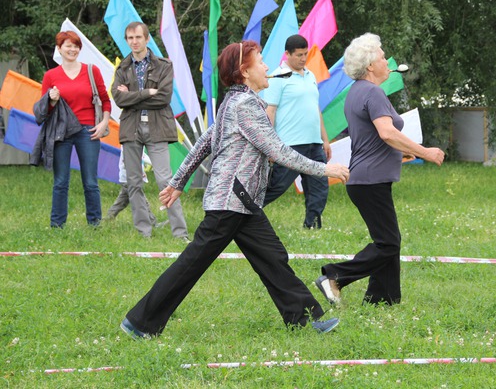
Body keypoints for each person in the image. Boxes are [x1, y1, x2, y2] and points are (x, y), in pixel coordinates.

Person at [120, 40, 350, 339]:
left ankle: (306, 320)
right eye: (261, 62)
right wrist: (324, 169)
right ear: (244, 71)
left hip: (243, 201)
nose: (267, 67)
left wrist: (178, 182)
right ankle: (139, 322)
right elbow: (278, 150)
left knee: (273, 257)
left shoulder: (237, 102)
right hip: (230, 201)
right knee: (191, 265)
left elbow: (205, 142)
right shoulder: (244, 106)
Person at [315, 33, 445, 307]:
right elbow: (386, 133)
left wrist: (403, 151)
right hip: (369, 179)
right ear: (370, 65)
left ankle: (382, 300)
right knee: (388, 243)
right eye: (383, 56)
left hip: (366, 178)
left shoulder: (356, 92)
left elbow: (371, 137)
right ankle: (334, 275)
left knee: (388, 241)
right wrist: (425, 152)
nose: (387, 61)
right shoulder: (372, 92)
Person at [111, 22, 188, 240]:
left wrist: (132, 96)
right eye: (130, 38)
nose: (134, 42)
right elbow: (118, 99)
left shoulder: (164, 65)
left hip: (157, 127)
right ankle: (144, 233)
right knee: (133, 182)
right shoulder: (122, 68)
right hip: (131, 128)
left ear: (146, 39)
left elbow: (163, 98)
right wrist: (146, 93)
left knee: (166, 181)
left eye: (137, 37)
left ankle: (180, 233)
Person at [34, 30, 111, 228]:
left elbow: (105, 100)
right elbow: (42, 111)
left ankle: (95, 224)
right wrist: (51, 100)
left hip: (88, 131)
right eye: (68, 45)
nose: (72, 49)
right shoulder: (51, 75)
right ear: (59, 49)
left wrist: (104, 123)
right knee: (60, 182)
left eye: (76, 46)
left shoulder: (91, 71)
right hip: (61, 132)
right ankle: (57, 225)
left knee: (91, 182)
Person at [260, 34, 331, 229]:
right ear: (287, 54)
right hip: (290, 144)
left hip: (314, 143)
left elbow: (315, 109)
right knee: (276, 187)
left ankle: (312, 225)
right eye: (299, 55)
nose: (303, 58)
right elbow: (270, 111)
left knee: (319, 187)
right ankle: (243, 214)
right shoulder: (278, 77)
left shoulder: (310, 75)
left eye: (305, 54)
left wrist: (324, 139)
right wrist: (269, 145)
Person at [105, 145, 166, 228]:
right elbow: (131, 158)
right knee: (143, 202)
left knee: (121, 202)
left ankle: (106, 220)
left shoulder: (136, 141)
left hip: (129, 178)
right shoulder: (129, 141)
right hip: (130, 179)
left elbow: (141, 155)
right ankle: (153, 223)